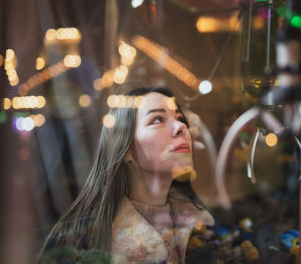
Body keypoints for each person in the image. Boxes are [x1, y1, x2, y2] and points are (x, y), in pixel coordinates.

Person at [37, 86, 214, 264]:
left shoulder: (203, 225)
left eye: (180, 118)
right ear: (127, 149)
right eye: (158, 119)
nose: (181, 126)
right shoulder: (89, 239)